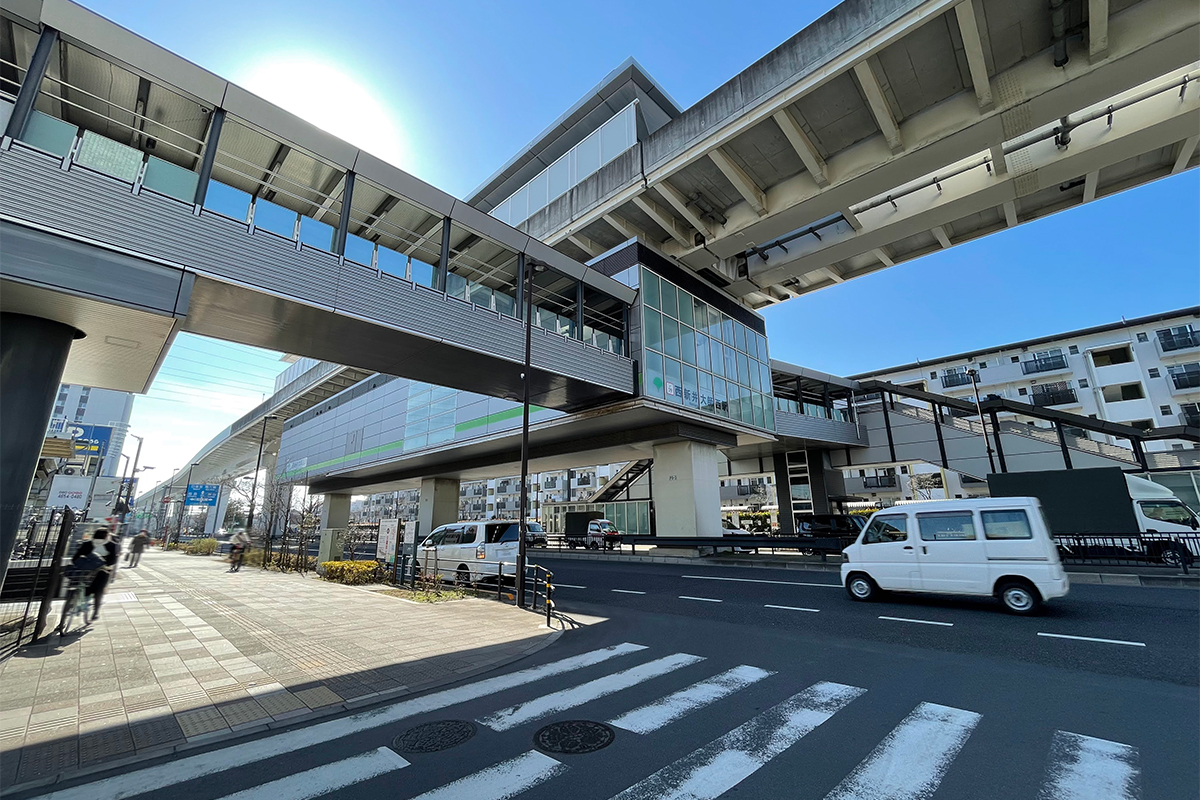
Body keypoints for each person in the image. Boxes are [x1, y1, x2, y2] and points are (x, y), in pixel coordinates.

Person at [71, 529, 118, 622]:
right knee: (98, 591)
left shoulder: (87, 543)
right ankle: (95, 612)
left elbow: (75, 558)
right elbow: (113, 560)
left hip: (84, 571)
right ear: (106, 536)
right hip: (102, 571)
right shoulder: (111, 545)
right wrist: (104, 564)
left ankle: (72, 604)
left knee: (80, 586)